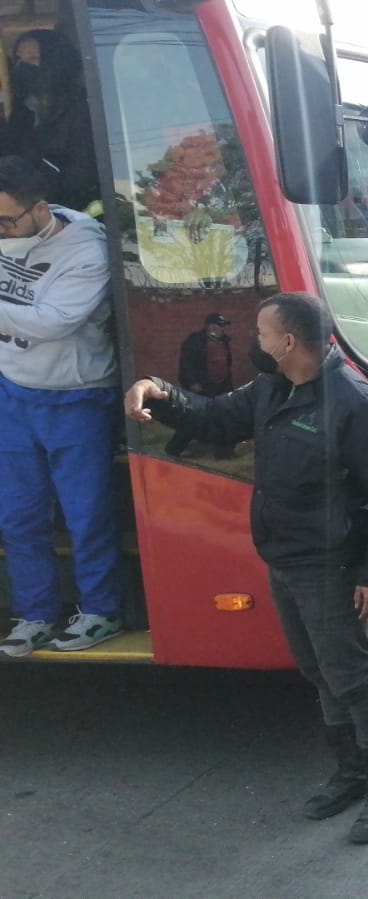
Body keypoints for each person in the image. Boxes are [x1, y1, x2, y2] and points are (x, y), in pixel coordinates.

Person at [123, 292, 368, 843]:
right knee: (317, 671)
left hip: (329, 562)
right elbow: (213, 418)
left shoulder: (351, 399)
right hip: (282, 556)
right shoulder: (272, 387)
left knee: (351, 676)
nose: (253, 340)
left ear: (287, 342)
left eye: (261, 332)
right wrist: (157, 393)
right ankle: (350, 774)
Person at [0, 155, 124, 657]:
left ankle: (101, 611)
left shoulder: (87, 247)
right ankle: (34, 614)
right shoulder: (10, 225)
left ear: (41, 209)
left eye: (7, 221)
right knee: (18, 515)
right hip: (12, 389)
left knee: (86, 513)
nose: (0, 230)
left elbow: (52, 322)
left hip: (77, 397)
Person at [2, 30, 96, 212]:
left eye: (34, 59)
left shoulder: (82, 110)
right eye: (19, 60)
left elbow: (80, 176)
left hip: (68, 217)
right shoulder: (24, 111)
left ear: (55, 62)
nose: (23, 67)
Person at [165, 312, 237, 459]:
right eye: (220, 326)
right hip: (202, 385)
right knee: (192, 419)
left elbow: (226, 364)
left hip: (221, 385)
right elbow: (186, 364)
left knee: (224, 418)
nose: (223, 329)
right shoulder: (195, 341)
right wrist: (192, 382)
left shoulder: (224, 341)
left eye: (223, 326)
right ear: (210, 326)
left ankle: (224, 452)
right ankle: (173, 450)